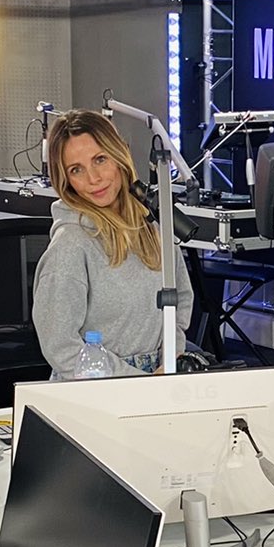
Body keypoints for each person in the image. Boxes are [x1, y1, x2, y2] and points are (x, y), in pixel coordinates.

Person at [32, 110, 195, 376]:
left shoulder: (153, 227)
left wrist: (170, 362)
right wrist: (137, 382)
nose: (93, 178)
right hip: (95, 384)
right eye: (76, 170)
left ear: (119, 156)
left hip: (159, 378)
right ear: (67, 181)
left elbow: (180, 303)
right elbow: (61, 347)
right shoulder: (70, 247)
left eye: (100, 159)